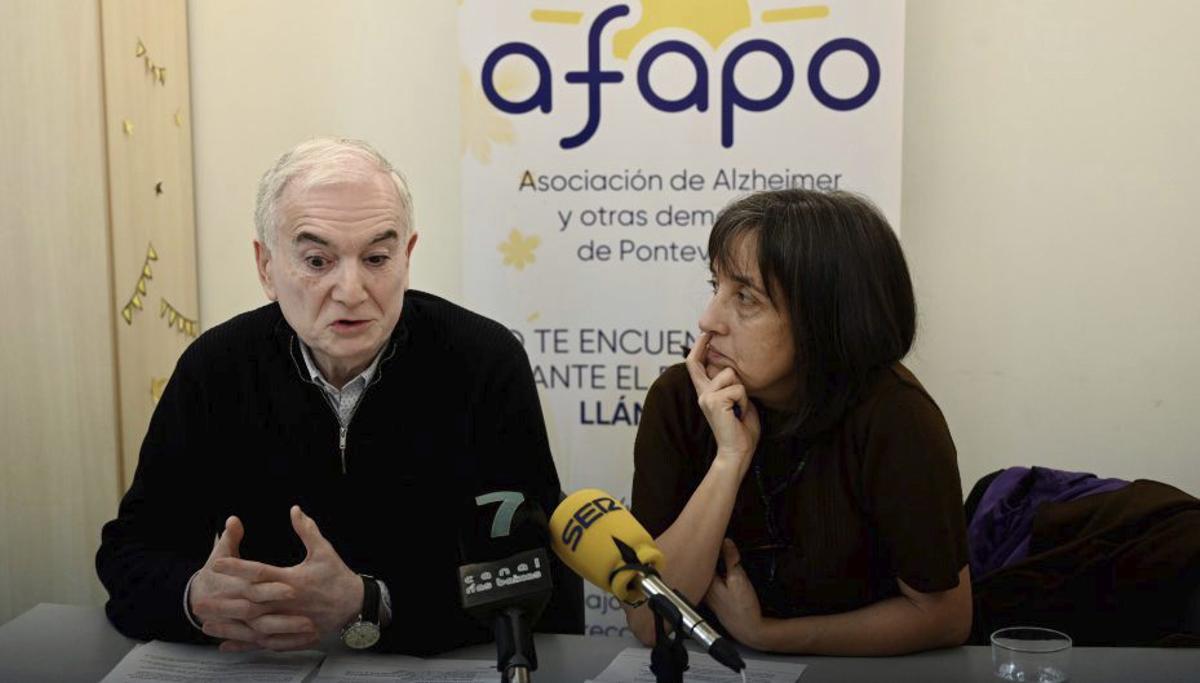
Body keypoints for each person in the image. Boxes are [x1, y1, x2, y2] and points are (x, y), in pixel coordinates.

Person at [96, 137, 582, 654]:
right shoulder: (216, 368)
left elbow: (533, 573)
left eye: (376, 257)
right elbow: (131, 552)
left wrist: (372, 602)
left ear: (407, 256)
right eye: (317, 260)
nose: (351, 290)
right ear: (266, 268)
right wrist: (195, 597)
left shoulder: (483, 361)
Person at [627, 189, 971, 655]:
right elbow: (650, 624)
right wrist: (730, 459)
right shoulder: (680, 400)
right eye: (716, 287)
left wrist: (766, 635)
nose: (708, 319)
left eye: (745, 297)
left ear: (825, 318)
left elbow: (944, 618)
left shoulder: (895, 416)